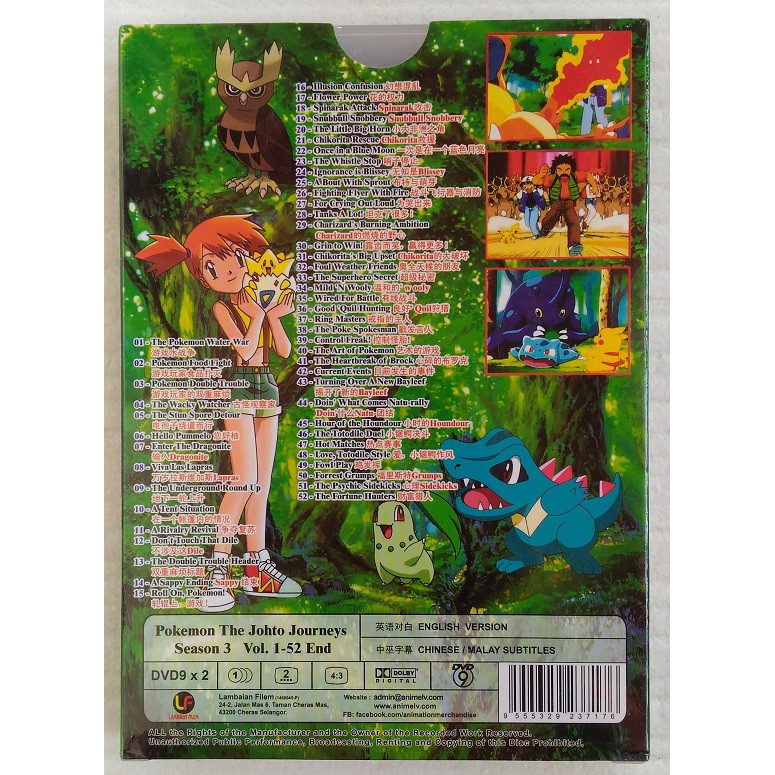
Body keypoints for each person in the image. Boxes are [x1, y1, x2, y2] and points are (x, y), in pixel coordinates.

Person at [136, 214, 302, 611]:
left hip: (266, 386)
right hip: (238, 388)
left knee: (260, 486)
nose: (228, 271)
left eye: (236, 259)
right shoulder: (223, 308)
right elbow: (244, 348)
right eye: (213, 266)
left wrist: (273, 316)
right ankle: (217, 571)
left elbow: (282, 351)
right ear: (203, 276)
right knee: (242, 482)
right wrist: (260, 313)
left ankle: (258, 568)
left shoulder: (260, 302)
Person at [533, 155, 599, 256]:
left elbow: (587, 175)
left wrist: (594, 186)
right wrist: (540, 174)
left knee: (574, 222)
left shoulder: (574, 176)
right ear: (555, 170)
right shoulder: (552, 178)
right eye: (560, 169)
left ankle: (574, 245)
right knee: (549, 218)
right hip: (556, 203)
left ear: (571, 170)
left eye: (567, 169)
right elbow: (536, 182)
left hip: (569, 204)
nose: (563, 172)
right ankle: (545, 229)